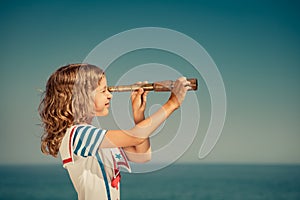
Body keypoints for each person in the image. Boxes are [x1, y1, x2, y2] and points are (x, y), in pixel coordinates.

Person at [39, 63, 191, 200]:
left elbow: (142, 155)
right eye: (103, 91)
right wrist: (172, 104)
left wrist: (138, 115)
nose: (109, 95)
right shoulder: (78, 135)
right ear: (81, 97)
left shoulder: (94, 141)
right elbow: (136, 136)